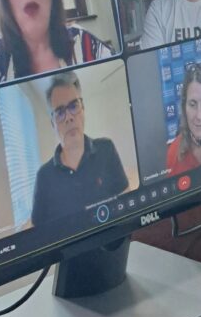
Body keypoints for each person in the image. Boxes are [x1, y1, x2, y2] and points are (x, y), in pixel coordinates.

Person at [30, 71, 128, 226]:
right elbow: (38, 231)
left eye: (74, 106)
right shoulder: (43, 177)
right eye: (60, 112)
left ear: (83, 109)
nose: (69, 117)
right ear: (53, 123)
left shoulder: (106, 149)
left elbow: (126, 201)